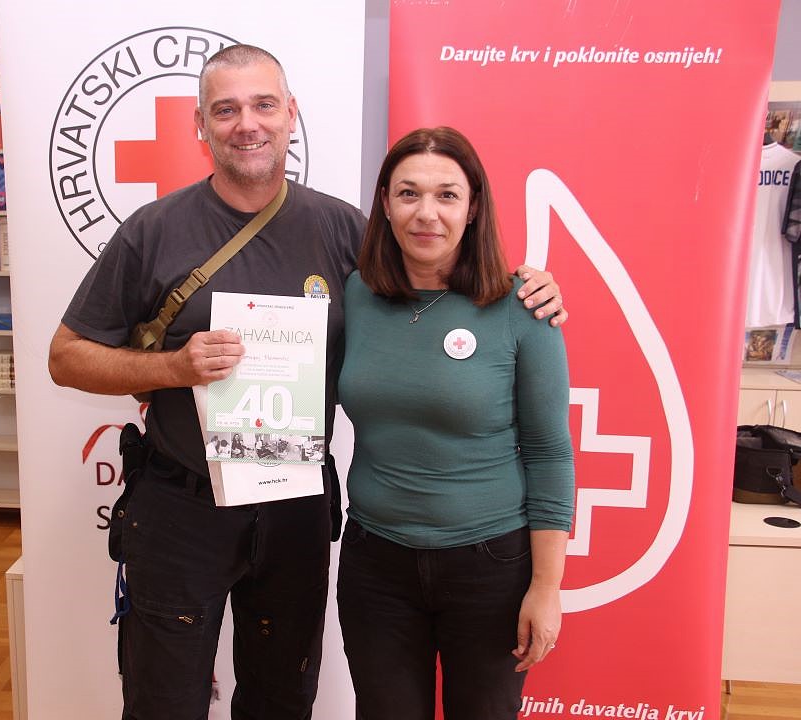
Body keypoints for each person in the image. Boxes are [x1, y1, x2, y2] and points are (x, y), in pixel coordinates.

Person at [47, 45, 566, 720]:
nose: (247, 124)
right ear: (199, 125)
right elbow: (66, 358)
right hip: (183, 507)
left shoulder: (344, 230)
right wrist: (171, 368)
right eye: (225, 110)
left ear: (291, 114)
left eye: (264, 105)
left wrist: (529, 284)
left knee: (282, 700)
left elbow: (434, 268)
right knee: (164, 704)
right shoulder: (155, 230)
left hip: (294, 507)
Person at [336, 127, 575, 720]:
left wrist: (546, 588)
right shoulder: (358, 293)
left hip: (489, 568)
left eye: (447, 195)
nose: (427, 213)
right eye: (408, 193)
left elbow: (549, 453)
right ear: (385, 202)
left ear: (472, 209)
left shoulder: (523, 306)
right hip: (375, 564)